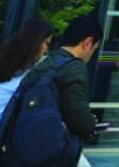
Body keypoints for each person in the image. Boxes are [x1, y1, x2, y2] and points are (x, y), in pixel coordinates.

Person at [0, 18, 54, 166]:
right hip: (7, 158)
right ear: (34, 43)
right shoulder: (27, 80)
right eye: (46, 43)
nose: (46, 50)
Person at [26, 14, 103, 166]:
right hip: (52, 150)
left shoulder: (47, 62)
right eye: (94, 49)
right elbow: (79, 120)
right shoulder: (74, 67)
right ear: (88, 42)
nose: (91, 55)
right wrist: (91, 123)